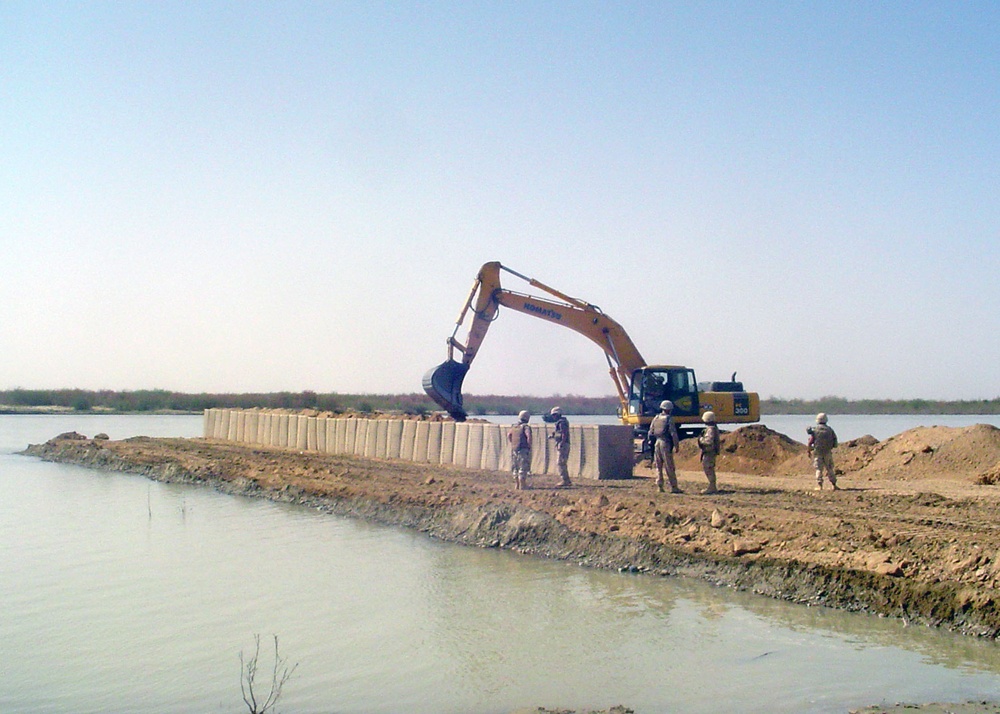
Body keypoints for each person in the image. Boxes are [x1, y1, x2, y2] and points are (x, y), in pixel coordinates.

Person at [648, 400, 681, 493]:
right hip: (665, 443)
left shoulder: (656, 418)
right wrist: (676, 445)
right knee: (669, 465)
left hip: (657, 443)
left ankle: (659, 486)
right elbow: (673, 433)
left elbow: (650, 432)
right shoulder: (669, 419)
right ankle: (674, 487)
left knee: (658, 465)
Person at [807, 412, 839, 490]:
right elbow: (835, 442)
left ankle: (819, 486)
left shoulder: (815, 430)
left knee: (818, 469)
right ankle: (834, 485)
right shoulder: (830, 430)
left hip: (817, 452)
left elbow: (810, 442)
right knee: (830, 469)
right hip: (827, 452)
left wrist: (809, 450)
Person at [547, 406, 572, 487]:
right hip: (563, 443)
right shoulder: (561, 422)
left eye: (554, 415)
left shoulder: (561, 423)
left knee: (560, 463)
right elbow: (560, 433)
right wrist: (553, 435)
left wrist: (562, 442)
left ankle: (565, 480)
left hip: (563, 444)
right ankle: (565, 479)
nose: (553, 417)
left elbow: (564, 433)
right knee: (561, 462)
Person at [507, 410, 533, 490]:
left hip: (514, 448)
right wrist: (529, 445)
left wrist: (512, 443)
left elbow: (509, 435)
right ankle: (523, 485)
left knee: (515, 467)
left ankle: (517, 484)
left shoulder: (514, 426)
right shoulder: (526, 427)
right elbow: (528, 436)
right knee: (523, 466)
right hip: (523, 449)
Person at [697, 411, 720, 494]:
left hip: (709, 452)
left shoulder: (710, 429)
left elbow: (708, 441)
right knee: (709, 468)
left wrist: (700, 439)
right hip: (710, 451)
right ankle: (712, 486)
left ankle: (712, 486)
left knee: (708, 468)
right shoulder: (713, 428)